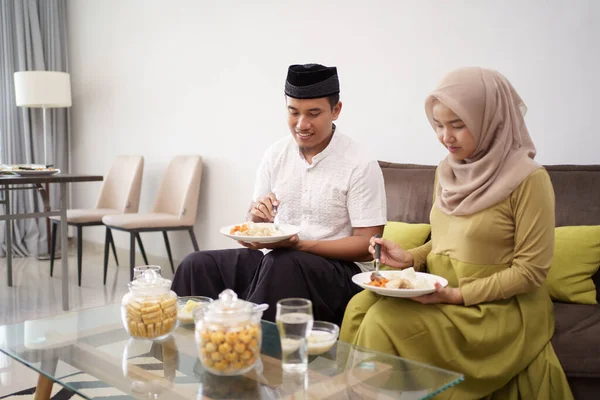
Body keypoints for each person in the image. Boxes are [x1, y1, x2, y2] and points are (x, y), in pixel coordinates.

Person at [340, 67, 573, 399]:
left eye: (458, 125)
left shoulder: (530, 181)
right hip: (444, 292)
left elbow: (530, 272)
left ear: (491, 120)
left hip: (498, 309)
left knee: (381, 323)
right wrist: (411, 258)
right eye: (438, 125)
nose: (445, 137)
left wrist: (455, 296)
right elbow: (446, 241)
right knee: (360, 306)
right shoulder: (446, 171)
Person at [172, 63, 387, 324]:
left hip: (339, 273)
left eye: (314, 113)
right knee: (196, 264)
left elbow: (368, 246)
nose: (301, 124)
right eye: (293, 112)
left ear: (336, 110)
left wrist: (300, 245)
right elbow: (254, 225)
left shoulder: (359, 162)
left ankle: (241, 347)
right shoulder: (276, 154)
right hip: (277, 260)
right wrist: (256, 219)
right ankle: (182, 354)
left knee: (282, 263)